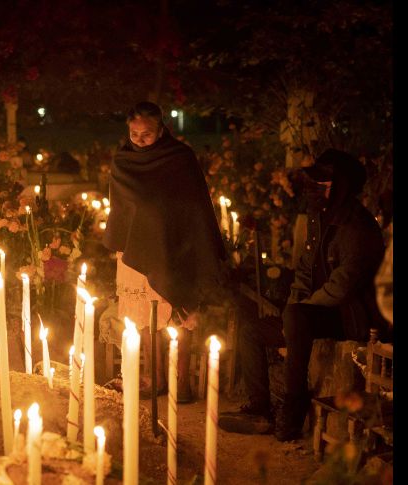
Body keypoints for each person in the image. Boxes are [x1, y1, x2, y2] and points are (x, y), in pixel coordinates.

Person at [227, 149, 387, 441]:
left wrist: (296, 314)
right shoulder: (320, 218)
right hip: (309, 313)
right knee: (251, 331)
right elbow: (304, 269)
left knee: (297, 316)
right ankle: (260, 407)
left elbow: (342, 287)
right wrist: (292, 307)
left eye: (323, 185)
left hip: (350, 316)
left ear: (341, 188)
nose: (315, 190)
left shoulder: (358, 227)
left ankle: (294, 402)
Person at [102, 101, 226, 401]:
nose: (141, 139)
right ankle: (155, 376)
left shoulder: (180, 157)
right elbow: (121, 206)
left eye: (147, 133)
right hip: (136, 249)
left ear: (161, 130)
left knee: (177, 308)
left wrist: (166, 218)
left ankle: (181, 380)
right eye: (134, 133)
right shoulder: (124, 160)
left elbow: (194, 203)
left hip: (177, 245)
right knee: (145, 316)